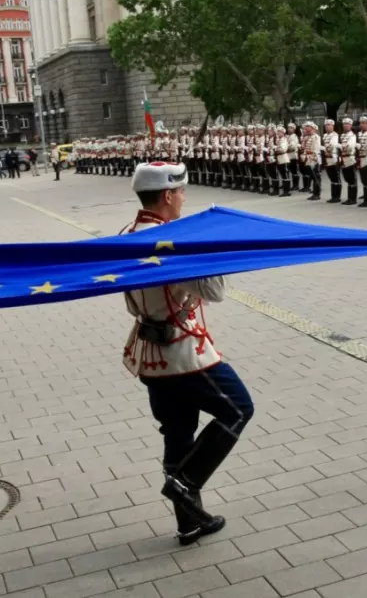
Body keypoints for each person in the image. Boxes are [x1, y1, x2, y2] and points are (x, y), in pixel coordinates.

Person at [123, 162, 254, 545]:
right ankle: (185, 483)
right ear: (166, 196)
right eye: (180, 192)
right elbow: (215, 292)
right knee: (239, 408)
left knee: (177, 433)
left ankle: (189, 521)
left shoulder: (126, 235)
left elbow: (131, 303)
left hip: (149, 354)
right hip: (184, 354)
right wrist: (209, 248)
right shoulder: (172, 243)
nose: (184, 198)